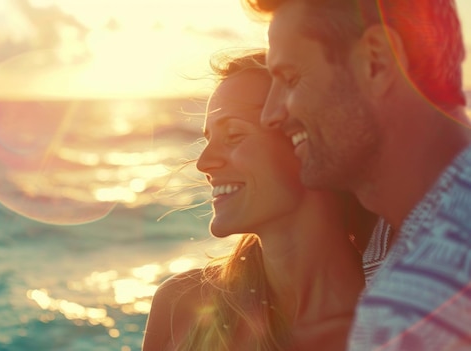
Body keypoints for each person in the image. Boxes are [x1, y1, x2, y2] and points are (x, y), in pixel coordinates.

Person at [244, 0, 471, 349]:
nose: (270, 115)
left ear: (376, 62)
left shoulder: (413, 309)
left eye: (290, 78)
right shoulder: (392, 248)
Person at [142, 52, 377, 351]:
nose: (204, 163)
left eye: (234, 135)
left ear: (310, 146)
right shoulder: (180, 306)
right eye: (207, 140)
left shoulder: (409, 323)